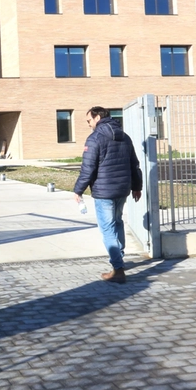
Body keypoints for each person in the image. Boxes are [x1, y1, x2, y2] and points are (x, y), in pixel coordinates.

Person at [73, 107, 142, 284]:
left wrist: (78, 190)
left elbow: (88, 168)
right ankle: (118, 260)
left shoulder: (95, 138)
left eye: (89, 121)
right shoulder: (124, 137)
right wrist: (136, 186)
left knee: (107, 229)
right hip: (122, 189)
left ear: (97, 117)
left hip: (104, 191)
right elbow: (134, 164)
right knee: (117, 223)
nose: (89, 124)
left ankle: (118, 269)